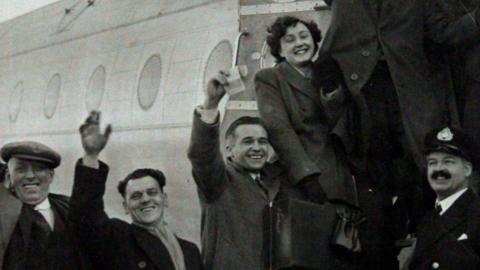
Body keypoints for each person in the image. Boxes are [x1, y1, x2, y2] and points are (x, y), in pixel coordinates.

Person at [69, 111, 203, 270]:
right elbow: (85, 216)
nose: (145, 199)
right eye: (136, 196)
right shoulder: (117, 240)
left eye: (152, 192)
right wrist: (91, 156)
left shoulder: (190, 251)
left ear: (165, 199)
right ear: (125, 207)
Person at [187, 71, 291, 269]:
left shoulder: (273, 182)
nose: (257, 148)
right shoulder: (218, 183)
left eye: (262, 142)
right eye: (247, 142)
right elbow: (202, 155)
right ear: (229, 149)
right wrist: (210, 105)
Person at [0, 141, 91, 270]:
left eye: (38, 168)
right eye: (21, 169)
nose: (30, 176)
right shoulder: (2, 217)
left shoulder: (70, 209)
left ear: (51, 176)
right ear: (9, 177)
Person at [409, 126, 480, 269]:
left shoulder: (476, 215)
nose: (438, 169)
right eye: (432, 163)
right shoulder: (428, 219)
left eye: (448, 162)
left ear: (467, 170)